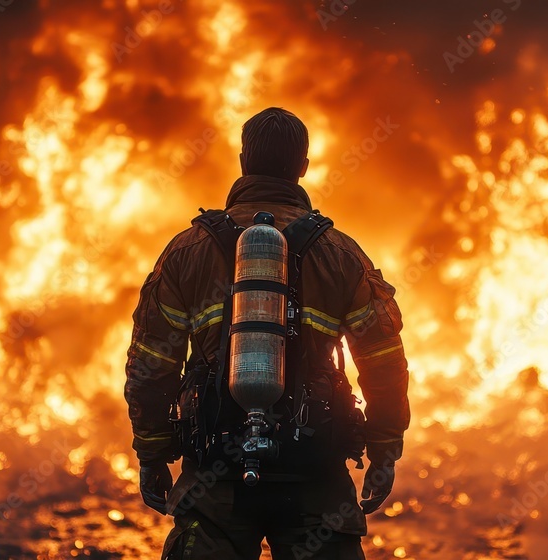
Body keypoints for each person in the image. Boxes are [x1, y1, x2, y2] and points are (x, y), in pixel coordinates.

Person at [124, 107, 411, 559]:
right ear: (303, 168)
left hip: (214, 483)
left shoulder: (187, 252)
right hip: (315, 482)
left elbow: (150, 366)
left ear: (242, 162)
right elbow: (384, 364)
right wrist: (383, 452)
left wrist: (153, 454)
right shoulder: (341, 255)